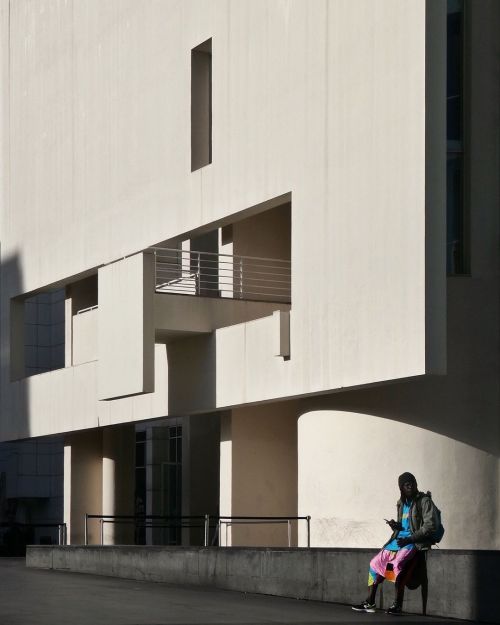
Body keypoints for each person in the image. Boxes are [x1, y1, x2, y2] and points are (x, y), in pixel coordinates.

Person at [351, 472, 437, 615]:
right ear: (401, 488)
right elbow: (405, 525)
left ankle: (397, 604)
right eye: (406, 484)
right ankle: (370, 602)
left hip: (412, 543)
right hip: (397, 541)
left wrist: (410, 539)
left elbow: (430, 526)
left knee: (395, 565)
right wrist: (395, 526)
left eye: (412, 483)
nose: (410, 486)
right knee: (374, 564)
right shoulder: (401, 503)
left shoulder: (424, 501)